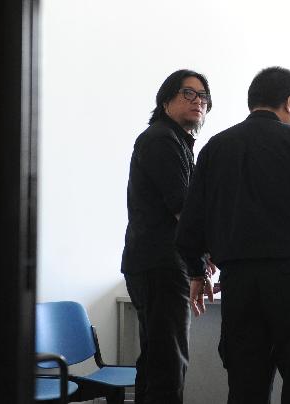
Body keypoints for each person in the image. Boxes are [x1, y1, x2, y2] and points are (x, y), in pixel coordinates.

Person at [176, 66, 290, 404]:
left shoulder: (215, 149)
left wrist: (197, 271)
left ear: (253, 102)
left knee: (246, 385)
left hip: (240, 286)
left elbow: (190, 224)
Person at [120, 69, 212, 404]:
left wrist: (202, 256)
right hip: (160, 265)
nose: (198, 101)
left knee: (157, 360)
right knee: (169, 364)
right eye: (188, 93)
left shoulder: (174, 140)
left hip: (153, 263)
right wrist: (199, 264)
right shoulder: (162, 139)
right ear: (166, 100)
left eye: (203, 96)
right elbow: (182, 210)